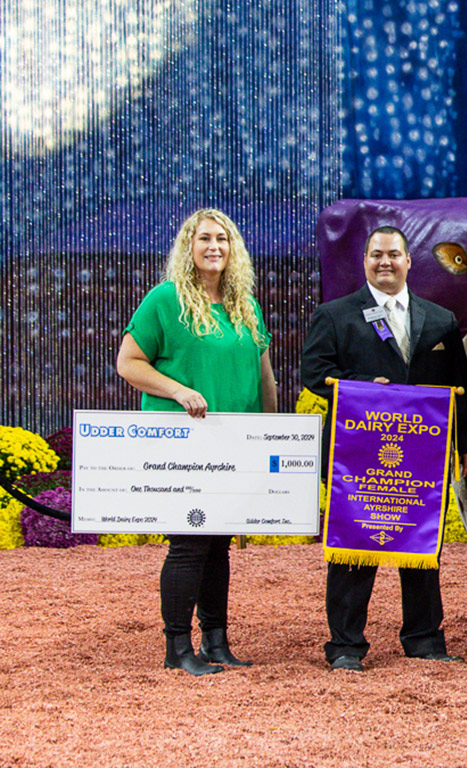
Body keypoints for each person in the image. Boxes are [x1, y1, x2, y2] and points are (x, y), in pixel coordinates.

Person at [301, 225, 467, 672]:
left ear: (408, 261)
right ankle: (345, 645)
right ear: (364, 261)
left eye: (394, 255)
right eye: (376, 255)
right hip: (358, 454)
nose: (385, 262)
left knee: (421, 550)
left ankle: (424, 639)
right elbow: (313, 371)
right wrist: (364, 387)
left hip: (423, 458)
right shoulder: (335, 315)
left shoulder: (439, 319)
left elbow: (463, 387)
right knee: (354, 550)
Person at [116, 208, 277, 676]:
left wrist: (269, 430)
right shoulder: (166, 300)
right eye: (204, 238)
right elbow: (129, 362)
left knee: (219, 542)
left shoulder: (244, 303)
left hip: (234, 441)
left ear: (234, 250)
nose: (214, 247)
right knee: (189, 542)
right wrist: (179, 391)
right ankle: (176, 648)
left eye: (223, 239)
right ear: (189, 247)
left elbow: (262, 373)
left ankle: (216, 641)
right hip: (183, 444)